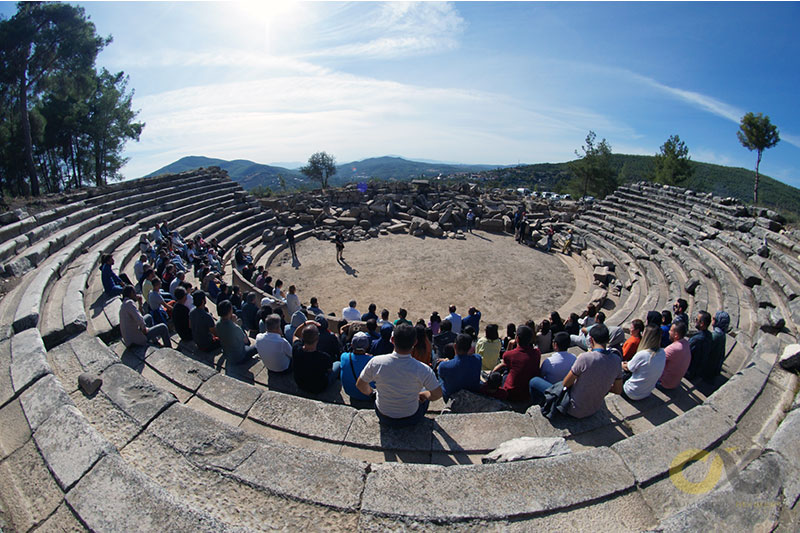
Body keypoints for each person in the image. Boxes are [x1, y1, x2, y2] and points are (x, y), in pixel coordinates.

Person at [356, 323, 442, 427]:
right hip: (411, 416)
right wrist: (424, 395)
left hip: (383, 415)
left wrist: (372, 394)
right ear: (415, 342)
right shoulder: (423, 369)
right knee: (424, 390)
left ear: (392, 340)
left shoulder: (376, 362)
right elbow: (437, 394)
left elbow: (360, 384)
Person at [532, 324, 623, 417]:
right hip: (595, 407)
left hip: (574, 408)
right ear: (608, 340)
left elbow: (566, 383)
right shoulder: (617, 360)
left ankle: (538, 404)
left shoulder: (585, 358)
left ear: (591, 340)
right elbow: (618, 390)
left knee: (534, 381)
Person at [493, 325, 541, 402]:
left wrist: (510, 344)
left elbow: (505, 359)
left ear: (517, 338)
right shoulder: (537, 353)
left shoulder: (510, 355)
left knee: (505, 371)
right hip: (528, 392)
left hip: (511, 393)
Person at [292, 321, 340, 394]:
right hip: (319, 388)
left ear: (303, 337)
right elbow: (329, 370)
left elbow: (296, 335)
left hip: (300, 384)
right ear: (317, 338)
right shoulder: (324, 357)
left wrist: (306, 323)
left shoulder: (296, 349)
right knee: (338, 364)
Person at [622, 325, 666, 401]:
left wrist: (621, 363)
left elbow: (628, 368)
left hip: (631, 392)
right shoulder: (663, 352)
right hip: (647, 392)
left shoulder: (643, 354)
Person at [437, 334, 482, 400]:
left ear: (454, 346)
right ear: (470, 347)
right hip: (472, 395)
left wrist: (448, 362)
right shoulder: (478, 359)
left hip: (450, 398)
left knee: (441, 377)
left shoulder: (443, 366)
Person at [215, 300, 258, 366]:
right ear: (230, 311)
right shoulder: (235, 327)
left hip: (227, 355)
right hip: (238, 357)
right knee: (256, 346)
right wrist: (237, 324)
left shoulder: (217, 324)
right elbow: (246, 341)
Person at [340, 332, 374, 401]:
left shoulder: (344, 356)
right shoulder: (373, 360)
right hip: (367, 395)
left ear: (352, 345)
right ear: (367, 346)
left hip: (350, 392)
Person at [659, 321, 692, 389]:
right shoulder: (686, 343)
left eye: (671, 330)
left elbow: (656, 359)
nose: (668, 332)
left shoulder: (673, 348)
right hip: (675, 382)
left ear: (676, 335)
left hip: (664, 383)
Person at [687, 311, 712, 379]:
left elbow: (686, 352)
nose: (695, 321)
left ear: (702, 324)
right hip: (698, 370)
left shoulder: (697, 340)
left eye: (696, 320)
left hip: (690, 371)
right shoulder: (709, 335)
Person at [706, 311, 730, 381]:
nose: (712, 320)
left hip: (709, 369)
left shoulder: (715, 336)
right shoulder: (722, 334)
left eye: (714, 319)